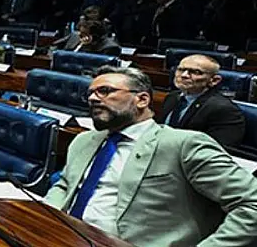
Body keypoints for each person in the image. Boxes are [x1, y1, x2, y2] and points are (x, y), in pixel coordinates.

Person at [45, 66, 257, 246]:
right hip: (62, 235)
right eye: (90, 93)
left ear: (142, 99)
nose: (92, 98)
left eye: (105, 91)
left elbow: (252, 203)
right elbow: (65, 185)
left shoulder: (183, 144)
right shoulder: (85, 140)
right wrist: (43, 218)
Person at [159, 54, 246, 147]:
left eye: (196, 72)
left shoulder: (225, 110)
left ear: (214, 80)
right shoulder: (172, 97)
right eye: (180, 69)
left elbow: (216, 149)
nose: (184, 75)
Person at [57, 19, 122, 56]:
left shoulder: (110, 47)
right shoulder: (74, 36)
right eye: (80, 32)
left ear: (95, 36)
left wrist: (84, 46)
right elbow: (55, 47)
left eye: (84, 34)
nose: (79, 35)